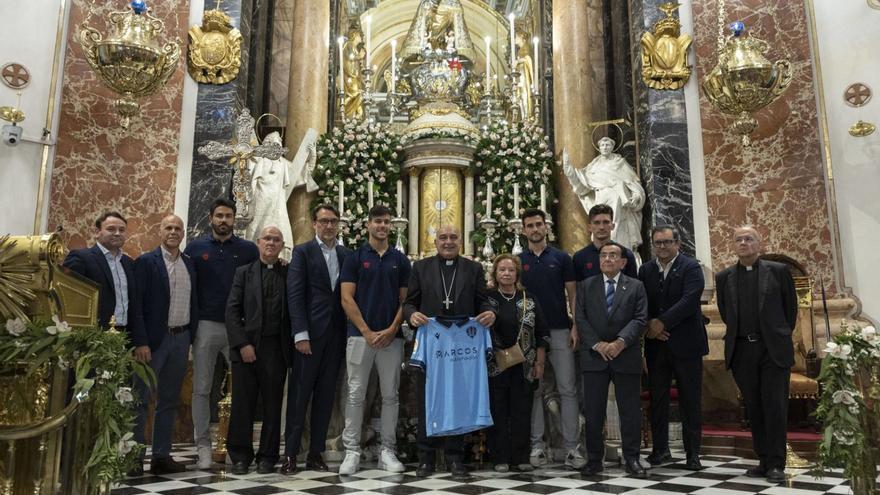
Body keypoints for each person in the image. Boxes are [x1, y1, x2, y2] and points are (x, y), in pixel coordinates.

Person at [403, 225, 496, 478]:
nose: (448, 242)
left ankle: (455, 458)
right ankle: (426, 458)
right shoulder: (420, 268)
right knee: (427, 397)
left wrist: (489, 311)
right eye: (443, 238)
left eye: (453, 237)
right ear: (435, 242)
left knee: (457, 398)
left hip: (462, 345)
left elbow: (482, 300)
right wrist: (412, 315)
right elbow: (409, 302)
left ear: (461, 242)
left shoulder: (473, 268)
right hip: (432, 343)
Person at [715, 226, 797, 483]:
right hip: (742, 351)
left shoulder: (779, 271)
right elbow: (727, 313)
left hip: (772, 350)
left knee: (774, 406)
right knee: (755, 408)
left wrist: (777, 334)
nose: (743, 243)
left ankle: (776, 463)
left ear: (758, 244)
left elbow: (790, 310)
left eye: (749, 239)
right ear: (733, 245)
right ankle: (763, 460)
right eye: (738, 239)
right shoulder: (724, 277)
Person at [184, 198, 259, 469]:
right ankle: (203, 445)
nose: (223, 220)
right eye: (219, 216)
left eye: (228, 216)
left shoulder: (248, 250)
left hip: (238, 328)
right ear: (210, 218)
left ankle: (235, 448)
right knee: (202, 388)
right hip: (206, 324)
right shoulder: (194, 248)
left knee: (242, 390)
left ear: (234, 219)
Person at [338, 205, 411, 475]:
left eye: (386, 222)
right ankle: (352, 452)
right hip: (360, 337)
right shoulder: (355, 258)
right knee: (355, 394)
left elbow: (406, 300)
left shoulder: (400, 260)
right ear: (368, 225)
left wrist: (392, 329)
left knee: (390, 395)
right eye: (377, 221)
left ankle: (387, 451)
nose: (382, 226)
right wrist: (367, 331)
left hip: (391, 339)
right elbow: (346, 298)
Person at [282, 205, 351, 474]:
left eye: (333, 221)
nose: (329, 226)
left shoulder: (346, 255)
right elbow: (295, 295)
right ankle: (290, 454)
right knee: (299, 397)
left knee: (325, 398)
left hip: (336, 336)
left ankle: (315, 453)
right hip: (308, 336)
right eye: (324, 221)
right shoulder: (303, 252)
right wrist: (300, 334)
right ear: (314, 224)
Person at [130, 214, 198, 476]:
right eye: (168, 227)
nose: (173, 231)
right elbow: (137, 305)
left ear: (183, 233)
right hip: (153, 342)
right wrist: (141, 341)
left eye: (177, 228)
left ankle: (161, 456)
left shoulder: (189, 264)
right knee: (140, 398)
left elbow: (194, 301)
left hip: (180, 340)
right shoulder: (147, 262)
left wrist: (191, 337)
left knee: (169, 400)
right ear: (160, 231)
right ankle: (134, 456)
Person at [517, 209, 584, 469]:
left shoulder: (561, 257)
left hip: (559, 330)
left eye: (539, 225)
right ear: (523, 230)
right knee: (535, 390)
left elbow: (573, 295)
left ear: (546, 227)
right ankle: (537, 445)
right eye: (530, 226)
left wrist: (576, 326)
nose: (535, 229)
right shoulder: (519, 260)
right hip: (530, 334)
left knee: (567, 389)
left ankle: (572, 448)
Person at [575, 242, 648, 478]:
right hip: (594, 357)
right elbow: (581, 318)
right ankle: (594, 459)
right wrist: (597, 344)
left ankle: (632, 458)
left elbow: (640, 318)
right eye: (604, 255)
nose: (607, 259)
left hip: (625, 356)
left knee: (629, 411)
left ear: (623, 262)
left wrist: (619, 343)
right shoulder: (586, 286)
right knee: (594, 411)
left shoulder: (636, 286)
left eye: (613, 255)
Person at [638, 226, 707, 471]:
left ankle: (693, 454)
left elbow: (689, 300)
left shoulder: (690, 267)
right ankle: (660, 450)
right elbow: (640, 301)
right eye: (658, 243)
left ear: (677, 243)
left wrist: (661, 323)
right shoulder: (645, 269)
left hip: (687, 343)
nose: (662, 247)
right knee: (658, 399)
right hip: (657, 346)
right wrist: (648, 324)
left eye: (667, 242)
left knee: (690, 400)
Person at [224, 226, 291, 475]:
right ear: (258, 243)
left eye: (276, 240)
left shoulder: (288, 272)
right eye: (267, 239)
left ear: (282, 245)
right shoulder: (243, 273)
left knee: (273, 405)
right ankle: (240, 455)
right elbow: (232, 311)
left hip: (276, 348)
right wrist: (243, 344)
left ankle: (267, 456)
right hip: (247, 347)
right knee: (243, 404)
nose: (271, 243)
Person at [486, 254, 548, 473]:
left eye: (510, 270)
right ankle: (499, 458)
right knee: (498, 410)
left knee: (522, 411)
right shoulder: (487, 298)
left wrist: (539, 362)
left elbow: (541, 332)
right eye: (502, 270)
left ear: (517, 274)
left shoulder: (529, 299)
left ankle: (521, 457)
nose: (506, 273)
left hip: (525, 364)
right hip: (495, 364)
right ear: (495, 273)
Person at [243, 129, 319, 260]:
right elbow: (247, 178)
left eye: (278, 144)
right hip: (260, 203)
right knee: (256, 233)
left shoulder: (283, 164)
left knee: (281, 233)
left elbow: (302, 174)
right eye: (273, 144)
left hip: (277, 205)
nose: (276, 147)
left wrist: (312, 157)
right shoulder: (258, 161)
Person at [563, 137, 645, 252]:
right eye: (602, 145)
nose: (605, 147)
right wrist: (569, 169)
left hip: (620, 202)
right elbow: (582, 185)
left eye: (607, 145)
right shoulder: (594, 166)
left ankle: (620, 251)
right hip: (601, 198)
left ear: (612, 147)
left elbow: (633, 182)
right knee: (601, 225)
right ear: (599, 148)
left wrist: (637, 194)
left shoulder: (620, 163)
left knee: (617, 230)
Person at [62, 211, 136, 330]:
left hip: (125, 334)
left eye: (122, 230)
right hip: (93, 334)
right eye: (111, 229)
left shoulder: (129, 263)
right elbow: (68, 299)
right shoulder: (81, 258)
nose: (117, 233)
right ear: (97, 232)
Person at [573, 204, 638, 282]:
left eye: (606, 222)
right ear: (590, 227)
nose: (601, 227)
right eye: (597, 223)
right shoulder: (580, 257)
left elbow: (633, 288)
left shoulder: (626, 254)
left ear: (613, 226)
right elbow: (578, 290)